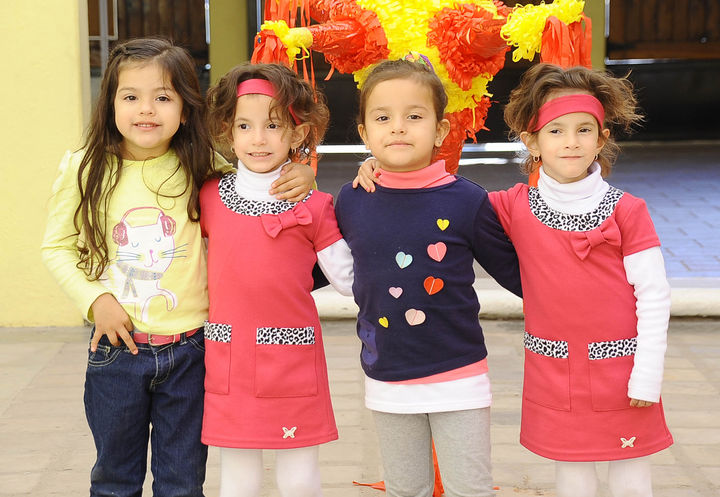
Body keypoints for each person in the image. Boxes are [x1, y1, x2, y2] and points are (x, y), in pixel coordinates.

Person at [40, 38, 315, 497]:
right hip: (118, 352)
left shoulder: (200, 165)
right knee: (114, 479)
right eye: (131, 96)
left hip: (192, 351)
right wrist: (96, 300)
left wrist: (301, 172)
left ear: (185, 110)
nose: (146, 109)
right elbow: (57, 247)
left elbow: (259, 182)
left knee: (183, 482)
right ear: (110, 105)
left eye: (163, 98)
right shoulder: (85, 167)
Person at [336, 56, 522, 497]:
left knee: (470, 489)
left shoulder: (466, 201)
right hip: (387, 375)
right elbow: (312, 266)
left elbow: (517, 274)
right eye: (383, 118)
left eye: (414, 117)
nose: (398, 128)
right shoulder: (352, 199)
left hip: (459, 376)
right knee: (406, 489)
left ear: (440, 130)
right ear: (364, 132)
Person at [489, 63, 673, 497]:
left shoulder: (628, 210)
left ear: (601, 138)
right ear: (531, 141)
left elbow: (654, 294)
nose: (571, 141)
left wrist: (647, 374)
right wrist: (375, 168)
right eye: (555, 131)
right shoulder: (512, 206)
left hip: (623, 373)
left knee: (631, 478)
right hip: (555, 371)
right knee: (573, 478)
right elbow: (445, 199)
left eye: (583, 130)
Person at [199, 62, 353, 497]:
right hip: (230, 361)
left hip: (292, 365)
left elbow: (349, 281)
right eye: (244, 126)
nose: (258, 139)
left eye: (273, 125)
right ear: (228, 132)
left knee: (299, 479)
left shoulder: (315, 205)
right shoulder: (207, 196)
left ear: (298, 133)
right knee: (238, 480)